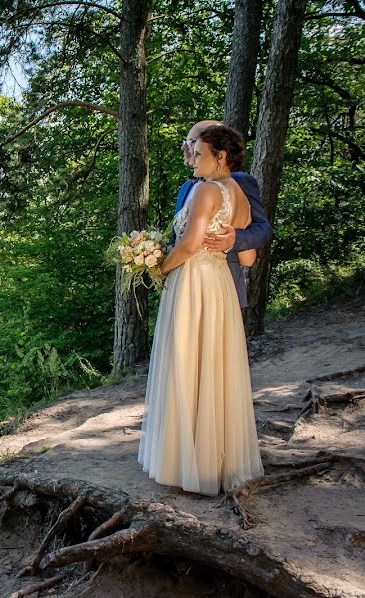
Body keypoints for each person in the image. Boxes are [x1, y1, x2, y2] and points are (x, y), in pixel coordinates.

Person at [138, 124, 264, 495]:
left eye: (198, 151)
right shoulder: (237, 193)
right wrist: (229, 241)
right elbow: (248, 257)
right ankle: (218, 462)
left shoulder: (209, 189)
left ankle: (189, 463)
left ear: (220, 157)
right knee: (214, 366)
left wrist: (157, 270)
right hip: (220, 288)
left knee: (187, 362)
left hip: (193, 284)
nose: (191, 156)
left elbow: (191, 244)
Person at [175, 120, 273, 309]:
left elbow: (264, 228)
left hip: (221, 279)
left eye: (191, 141)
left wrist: (235, 239)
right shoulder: (186, 188)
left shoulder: (239, 181)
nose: (185, 147)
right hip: (184, 282)